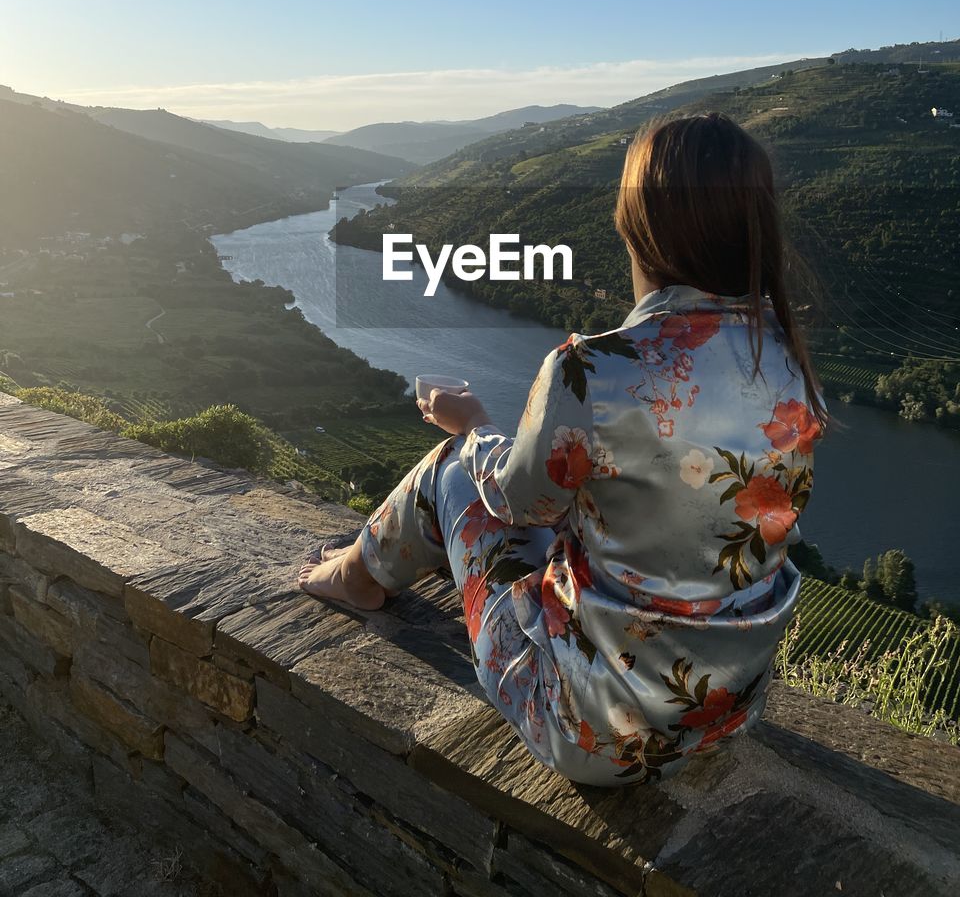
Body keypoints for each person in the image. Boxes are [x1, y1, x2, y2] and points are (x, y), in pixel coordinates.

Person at [298, 112, 829, 786]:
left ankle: (356, 576)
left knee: (456, 468)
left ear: (639, 230)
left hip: (595, 733)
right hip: (726, 713)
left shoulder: (595, 370)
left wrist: (473, 428)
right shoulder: (789, 366)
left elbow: (517, 503)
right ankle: (360, 568)